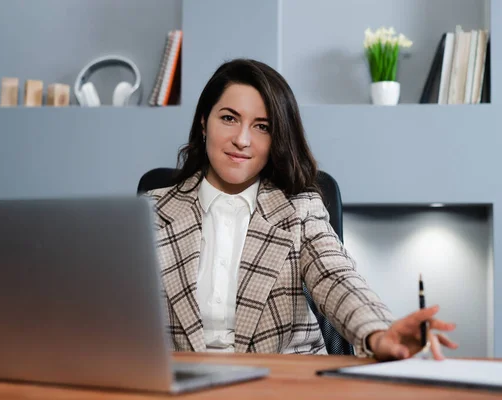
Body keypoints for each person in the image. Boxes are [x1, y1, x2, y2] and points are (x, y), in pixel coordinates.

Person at [144, 58, 458, 360]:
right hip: (178, 385)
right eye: (229, 118)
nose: (242, 139)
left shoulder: (299, 208)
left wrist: (379, 332)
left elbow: (336, 277)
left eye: (262, 126)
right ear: (203, 122)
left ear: (276, 137)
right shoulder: (152, 210)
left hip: (282, 385)